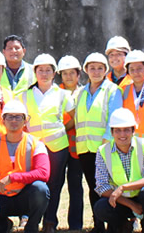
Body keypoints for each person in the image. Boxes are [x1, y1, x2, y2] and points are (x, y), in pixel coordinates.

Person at [0, 100, 52, 233]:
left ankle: (32, 226)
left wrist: (12, 177)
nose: (14, 120)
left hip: (24, 197)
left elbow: (43, 173)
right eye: (10, 116)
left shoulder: (36, 144)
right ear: (3, 120)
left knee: (41, 189)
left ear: (25, 120)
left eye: (18, 117)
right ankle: (3, 225)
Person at [22, 53, 76, 233]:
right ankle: (33, 221)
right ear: (35, 72)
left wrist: (62, 129)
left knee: (54, 184)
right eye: (40, 70)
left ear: (54, 73)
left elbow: (75, 117)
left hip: (57, 147)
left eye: (48, 70)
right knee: (35, 184)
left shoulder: (62, 94)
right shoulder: (24, 95)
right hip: (34, 148)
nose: (44, 74)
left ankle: (50, 222)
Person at [93, 107, 144, 233]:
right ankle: (123, 225)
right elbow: (102, 186)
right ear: (112, 132)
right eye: (118, 131)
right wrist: (131, 205)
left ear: (133, 131)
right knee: (100, 207)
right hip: (122, 200)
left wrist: (123, 187)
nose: (122, 135)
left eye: (126, 130)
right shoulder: (103, 151)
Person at [74, 52, 121, 232]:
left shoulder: (113, 90)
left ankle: (115, 224)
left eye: (100, 68)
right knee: (93, 188)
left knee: (107, 187)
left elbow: (113, 118)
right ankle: (98, 224)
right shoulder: (81, 93)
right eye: (92, 68)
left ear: (105, 70)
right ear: (86, 70)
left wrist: (106, 143)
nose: (95, 71)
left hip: (104, 148)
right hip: (85, 148)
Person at [57, 55, 86, 232]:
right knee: (54, 184)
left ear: (78, 74)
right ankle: (49, 221)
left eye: (72, 73)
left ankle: (75, 225)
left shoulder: (84, 92)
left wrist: (67, 126)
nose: (68, 77)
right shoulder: (54, 92)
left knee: (76, 186)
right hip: (58, 145)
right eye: (65, 73)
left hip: (78, 147)